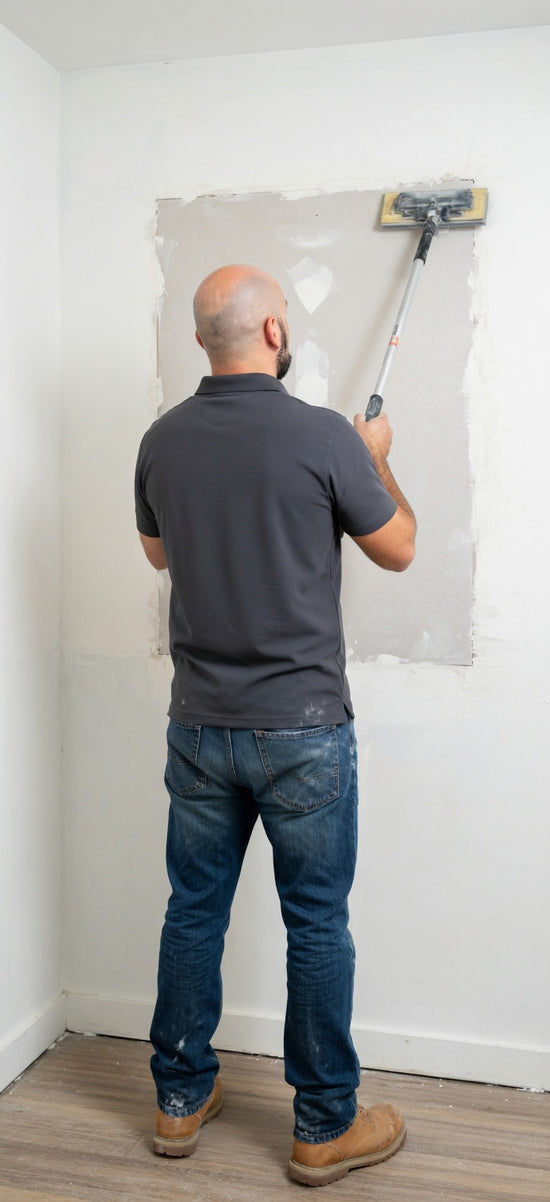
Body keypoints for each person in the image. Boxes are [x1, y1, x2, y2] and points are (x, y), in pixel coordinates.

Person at [134, 264, 416, 1187]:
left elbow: (160, 550)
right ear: (265, 334)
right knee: (317, 926)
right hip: (302, 733)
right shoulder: (325, 437)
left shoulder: (161, 441)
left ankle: (179, 1102)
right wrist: (373, 457)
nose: (286, 329)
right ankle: (324, 1126)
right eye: (283, 319)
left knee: (193, 912)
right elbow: (400, 547)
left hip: (201, 729)